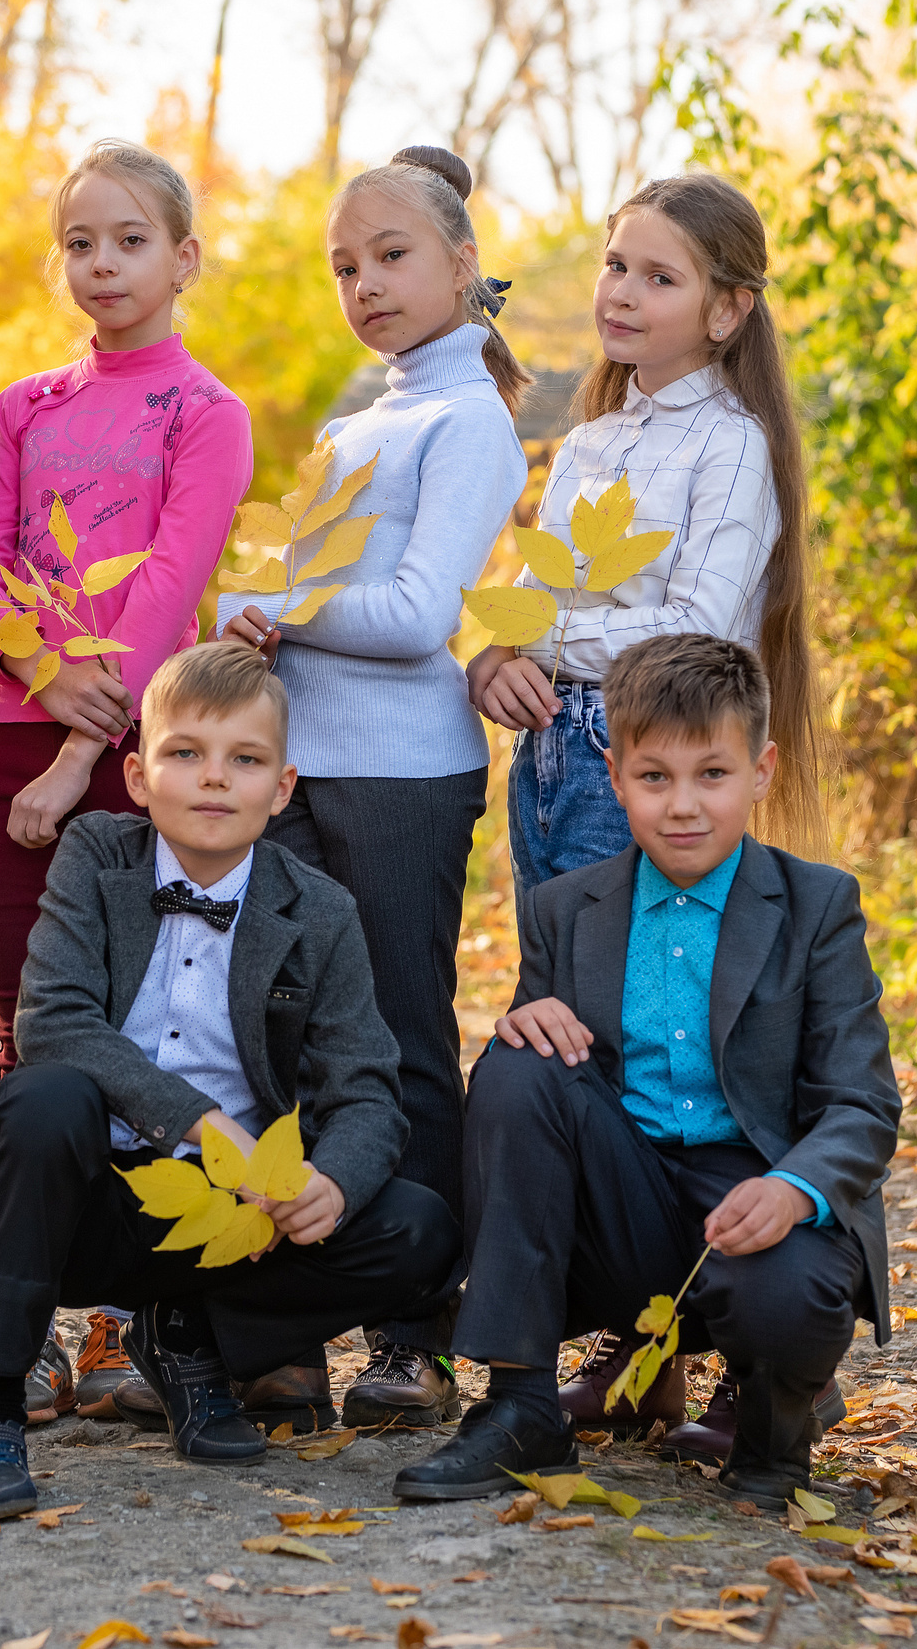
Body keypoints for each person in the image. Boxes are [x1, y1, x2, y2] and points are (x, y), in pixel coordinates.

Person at [0, 642, 458, 1522]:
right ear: (138, 777)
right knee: (43, 1094)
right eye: (186, 753)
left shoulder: (319, 909)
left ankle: (187, 1336)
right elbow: (52, 1021)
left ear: (281, 788)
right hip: (86, 1199)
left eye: (244, 760)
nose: (214, 778)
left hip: (234, 1220)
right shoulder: (96, 854)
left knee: (421, 1227)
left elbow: (367, 1087)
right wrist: (203, 1123)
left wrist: (333, 1181)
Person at [463, 170, 824, 1448]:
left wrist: (550, 642)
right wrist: (497, 659)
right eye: (616, 265)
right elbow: (536, 601)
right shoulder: (590, 442)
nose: (620, 292)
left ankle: (747, 1345)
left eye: (658, 277)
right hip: (555, 759)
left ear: (726, 310)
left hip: (649, 759)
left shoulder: (731, 445)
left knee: (673, 1032)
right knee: (575, 1032)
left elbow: (700, 624)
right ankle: (635, 1343)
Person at [392, 635, 897, 1507]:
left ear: (761, 772)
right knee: (518, 1064)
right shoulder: (566, 908)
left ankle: (772, 1444)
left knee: (785, 1289)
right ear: (616, 776)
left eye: (713, 774)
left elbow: (863, 1104)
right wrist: (520, 1027)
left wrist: (793, 1191)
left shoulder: (816, 904)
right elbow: (537, 1107)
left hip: (758, 1199)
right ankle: (520, 1407)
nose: (683, 804)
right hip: (624, 1204)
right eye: (654, 776)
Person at [216, 144, 529, 1431]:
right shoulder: (351, 427)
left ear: (462, 264)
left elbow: (411, 618)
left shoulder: (474, 421)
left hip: (404, 778)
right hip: (297, 768)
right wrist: (253, 620)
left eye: (391, 257)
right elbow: (301, 597)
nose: (366, 285)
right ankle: (288, 1332)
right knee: (283, 1042)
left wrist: (281, 604)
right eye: (345, 267)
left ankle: (416, 1335)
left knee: (399, 1043)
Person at [0, 140, 253, 1422]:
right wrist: (42, 683)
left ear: (183, 257)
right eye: (80, 242)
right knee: (28, 1027)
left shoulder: (205, 412)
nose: (102, 264)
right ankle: (21, 1315)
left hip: (135, 756)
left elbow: (172, 587)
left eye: (130, 240)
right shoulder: (25, 405)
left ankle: (125, 1315)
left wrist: (92, 746)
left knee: (138, 1027)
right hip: (14, 741)